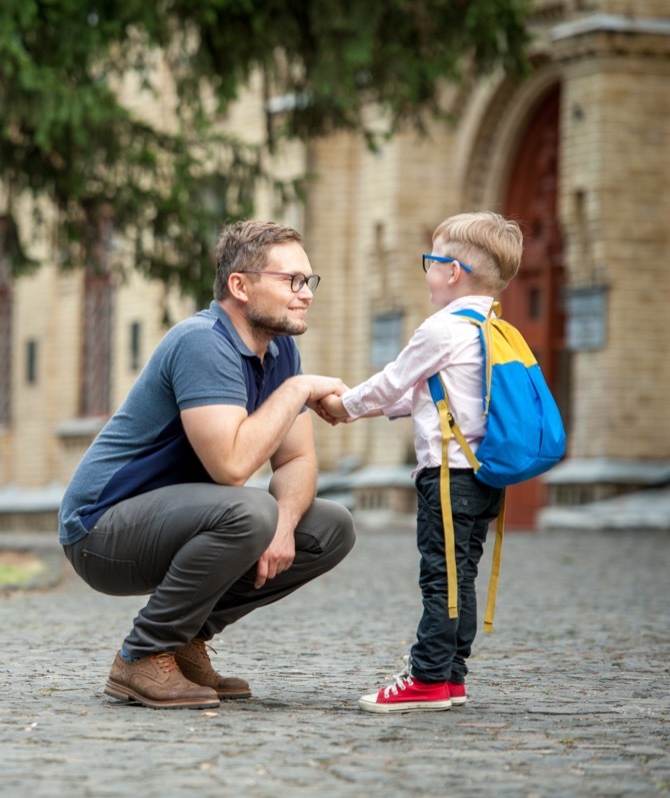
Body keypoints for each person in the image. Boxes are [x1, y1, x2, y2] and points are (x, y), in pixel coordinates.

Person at [58, 219, 357, 710]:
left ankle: (184, 642)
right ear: (240, 285)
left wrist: (284, 526)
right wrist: (298, 388)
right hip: (100, 530)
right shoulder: (202, 342)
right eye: (291, 281)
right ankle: (142, 654)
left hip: (176, 522)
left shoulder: (281, 349)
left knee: (330, 526)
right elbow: (233, 467)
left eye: (308, 281)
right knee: (249, 512)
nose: (305, 293)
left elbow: (298, 459)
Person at [320, 211, 524, 713]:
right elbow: (424, 394)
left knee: (440, 577)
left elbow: (394, 380)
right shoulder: (490, 327)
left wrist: (343, 407)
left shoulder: (441, 329)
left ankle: (428, 676)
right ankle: (453, 674)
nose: (426, 272)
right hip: (484, 478)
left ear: (451, 271)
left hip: (447, 475)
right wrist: (360, 408)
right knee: (462, 575)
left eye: (429, 262)